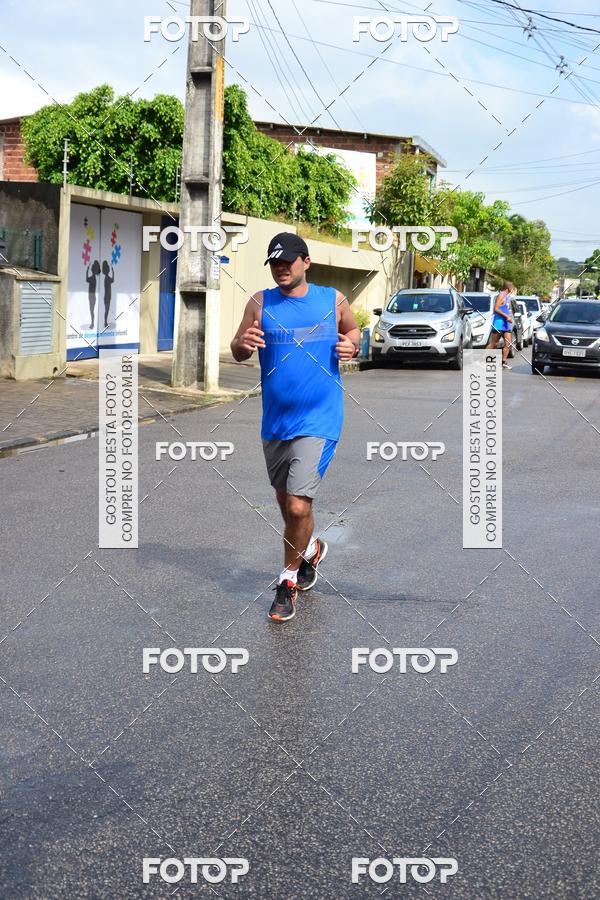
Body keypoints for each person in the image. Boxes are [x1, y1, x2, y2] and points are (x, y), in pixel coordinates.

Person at [230, 232, 360, 623]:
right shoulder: (260, 302)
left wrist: (352, 346)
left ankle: (286, 582)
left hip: (319, 419)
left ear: (306, 261)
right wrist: (243, 343)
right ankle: (310, 549)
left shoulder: (332, 300)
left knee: (300, 503)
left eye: (287, 261)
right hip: (275, 422)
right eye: (274, 263)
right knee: (288, 507)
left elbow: (354, 332)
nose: (281, 268)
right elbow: (237, 350)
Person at [487, 281, 515, 369]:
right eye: (512, 287)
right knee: (494, 344)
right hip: (499, 323)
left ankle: (503, 362)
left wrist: (509, 316)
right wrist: (506, 316)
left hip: (506, 324)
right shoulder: (501, 295)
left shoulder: (507, 297)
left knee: (508, 344)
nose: (513, 289)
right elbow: (496, 309)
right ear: (508, 288)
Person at [101, 260, 115, 329]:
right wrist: (113, 272)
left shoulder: (106, 278)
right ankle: (105, 323)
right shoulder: (107, 278)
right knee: (106, 310)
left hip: (107, 296)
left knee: (107, 310)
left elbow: (112, 280)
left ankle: (105, 322)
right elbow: (113, 280)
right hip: (107, 297)